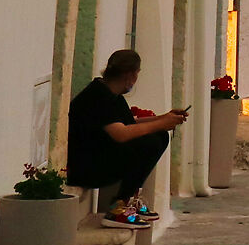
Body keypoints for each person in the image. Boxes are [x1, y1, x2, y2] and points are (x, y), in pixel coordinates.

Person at [66, 49, 187, 228]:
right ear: (130, 75)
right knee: (150, 142)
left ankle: (128, 200)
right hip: (85, 167)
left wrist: (164, 118)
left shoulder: (110, 93)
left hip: (97, 156)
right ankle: (118, 207)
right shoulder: (98, 96)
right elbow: (121, 133)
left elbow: (129, 122)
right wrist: (161, 123)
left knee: (160, 136)